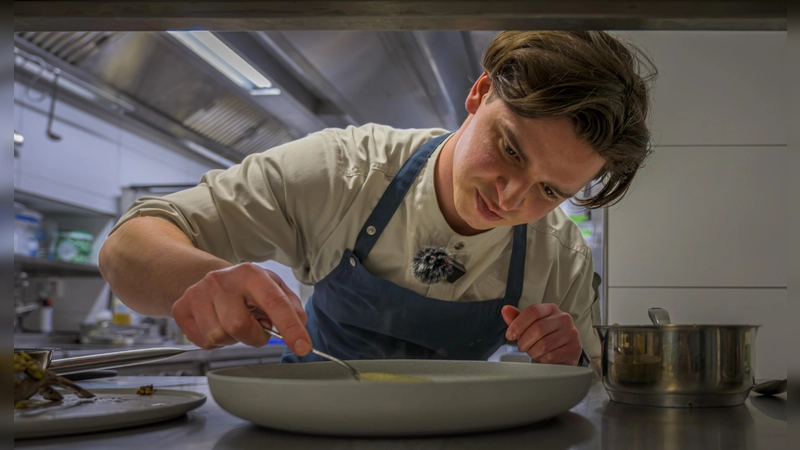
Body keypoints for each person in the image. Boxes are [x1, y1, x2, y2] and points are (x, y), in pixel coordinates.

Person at [99, 30, 655, 367]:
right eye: (510, 149)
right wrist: (202, 277)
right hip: (310, 427)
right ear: (480, 92)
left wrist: (568, 359)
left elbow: (591, 384)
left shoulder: (559, 255)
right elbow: (126, 246)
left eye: (550, 190)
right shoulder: (343, 171)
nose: (511, 197)